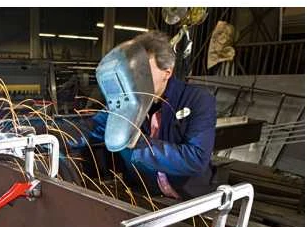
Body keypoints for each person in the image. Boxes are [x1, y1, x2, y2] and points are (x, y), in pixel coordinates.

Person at [88, 31, 217, 200]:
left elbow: (196, 158)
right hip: (146, 194)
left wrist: (138, 145)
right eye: (132, 71)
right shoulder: (130, 101)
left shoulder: (198, 99)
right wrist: (56, 133)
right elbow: (94, 126)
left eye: (144, 72)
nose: (135, 79)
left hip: (189, 198)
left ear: (167, 72)